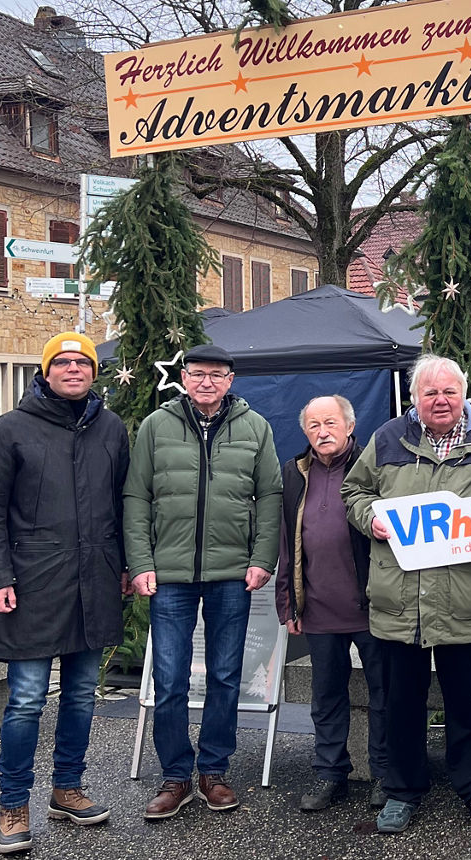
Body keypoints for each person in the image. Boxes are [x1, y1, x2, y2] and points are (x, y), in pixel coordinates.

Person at [341, 354, 471, 835]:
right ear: (415, 398)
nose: (440, 400)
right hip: (402, 599)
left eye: (449, 392)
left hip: (463, 597)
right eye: (430, 393)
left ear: (464, 395)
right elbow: (353, 493)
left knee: (466, 699)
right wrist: (371, 516)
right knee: (402, 700)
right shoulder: (386, 440)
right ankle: (401, 790)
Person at [0, 332, 130, 854]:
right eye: (62, 362)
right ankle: (13, 805)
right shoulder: (10, 430)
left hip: (96, 581)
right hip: (32, 584)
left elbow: (125, 504)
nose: (73, 368)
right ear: (45, 371)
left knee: (82, 694)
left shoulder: (110, 428)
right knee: (26, 700)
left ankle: (67, 788)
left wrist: (128, 566)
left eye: (82, 361)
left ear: (93, 371)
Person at [123, 344, 282, 820]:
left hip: (232, 574)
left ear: (231, 380)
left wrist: (263, 559)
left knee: (225, 676)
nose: (206, 382)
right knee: (169, 681)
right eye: (197, 374)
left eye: (216, 375)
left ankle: (213, 771)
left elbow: (271, 495)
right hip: (168, 575)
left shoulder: (256, 428)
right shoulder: (156, 425)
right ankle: (175, 776)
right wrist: (140, 562)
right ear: (185, 379)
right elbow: (136, 496)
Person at [275, 395, 388, 812]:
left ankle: (385, 774)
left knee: (385, 695)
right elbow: (286, 541)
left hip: (371, 607)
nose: (323, 432)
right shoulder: (294, 472)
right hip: (317, 608)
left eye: (331, 423)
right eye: (314, 425)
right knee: (326, 698)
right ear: (305, 432)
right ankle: (329, 774)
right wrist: (287, 601)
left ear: (350, 427)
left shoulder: (371, 469)